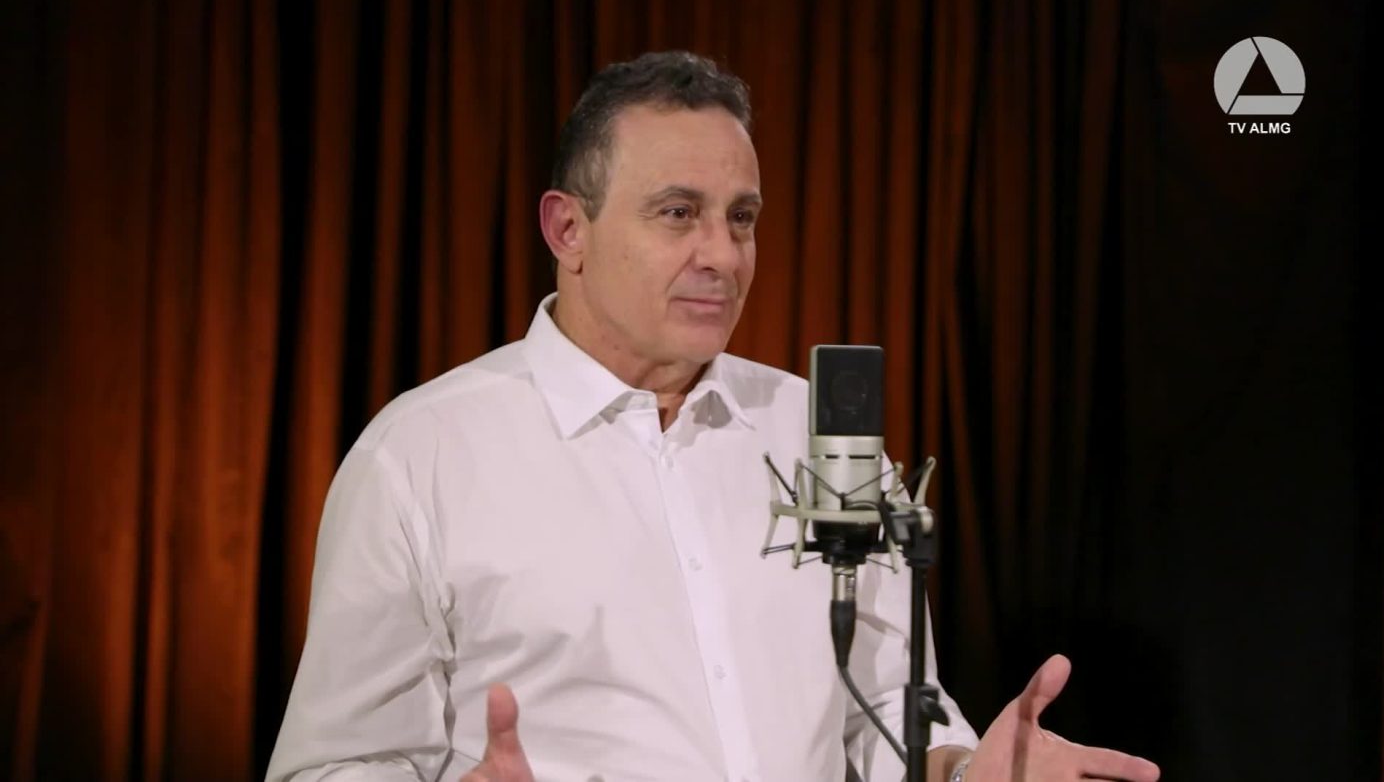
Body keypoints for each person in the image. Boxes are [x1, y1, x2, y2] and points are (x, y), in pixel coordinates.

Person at [266, 51, 1160, 782]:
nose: (723, 256)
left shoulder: (817, 430)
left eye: (742, 218)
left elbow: (885, 706)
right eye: (677, 214)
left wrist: (966, 772)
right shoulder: (422, 454)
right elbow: (334, 765)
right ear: (567, 230)